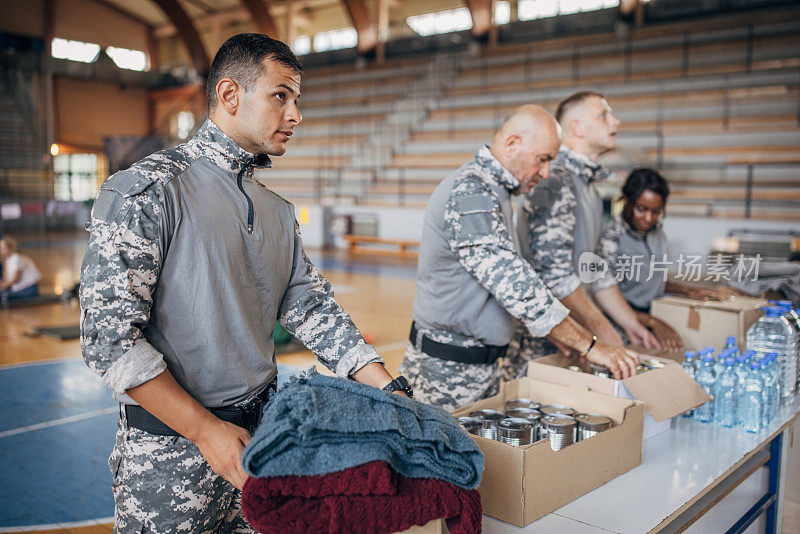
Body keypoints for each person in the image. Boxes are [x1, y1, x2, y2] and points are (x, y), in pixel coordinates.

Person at [80, 34, 409, 533]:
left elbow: (310, 306)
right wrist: (206, 431)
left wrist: (389, 385)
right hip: (172, 457)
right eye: (282, 96)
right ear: (230, 95)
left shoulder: (275, 211)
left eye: (297, 100)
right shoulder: (149, 191)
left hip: (262, 444)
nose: (296, 114)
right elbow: (108, 341)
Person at [398, 104, 640, 410]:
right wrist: (589, 344)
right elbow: (517, 286)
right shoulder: (472, 193)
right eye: (543, 159)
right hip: (446, 373)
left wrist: (565, 336)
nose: (546, 173)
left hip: (477, 366)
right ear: (513, 143)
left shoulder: (497, 191)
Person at [513, 91, 682, 366]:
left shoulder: (589, 187)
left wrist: (630, 325)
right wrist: (604, 333)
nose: (615, 122)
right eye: (603, 115)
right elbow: (555, 277)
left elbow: (597, 272)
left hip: (577, 338)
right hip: (543, 346)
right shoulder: (556, 179)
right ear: (576, 128)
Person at [594, 168, 738, 344]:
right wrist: (652, 322)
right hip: (622, 325)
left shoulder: (657, 235)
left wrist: (689, 291)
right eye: (641, 209)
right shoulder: (610, 240)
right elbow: (602, 297)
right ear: (626, 201)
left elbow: (651, 280)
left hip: (653, 313)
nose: (648, 218)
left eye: (656, 211)